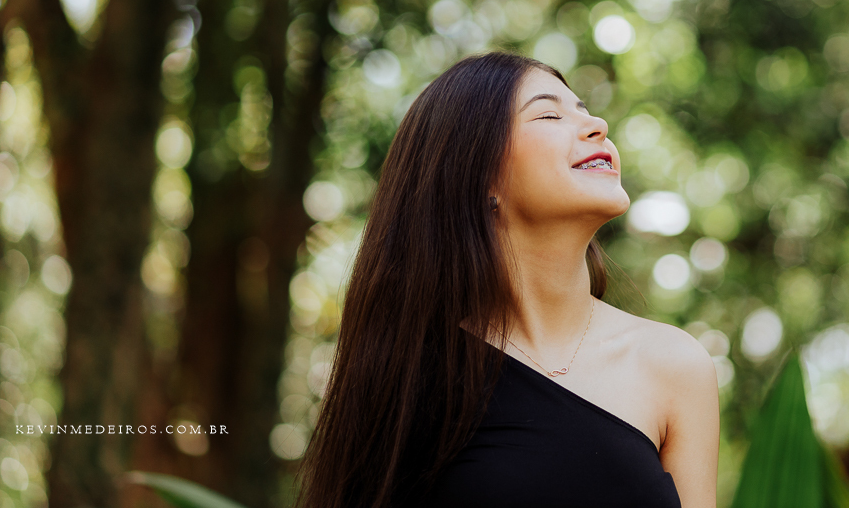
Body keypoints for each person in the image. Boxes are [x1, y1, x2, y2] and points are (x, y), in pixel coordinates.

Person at [295, 51, 719, 508]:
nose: (597, 125)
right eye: (550, 113)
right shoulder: (413, 371)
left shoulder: (675, 364)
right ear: (479, 176)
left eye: (585, 109)